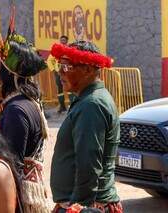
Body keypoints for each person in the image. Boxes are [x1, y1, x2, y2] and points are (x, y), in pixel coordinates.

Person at [50, 41, 123, 213]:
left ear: (88, 70)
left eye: (67, 67)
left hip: (87, 206)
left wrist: (77, 208)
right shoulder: (87, 100)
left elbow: (89, 167)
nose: (60, 71)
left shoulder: (92, 105)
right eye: (59, 65)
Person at [0, 11, 50, 212]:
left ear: (7, 73)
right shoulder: (28, 102)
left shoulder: (17, 110)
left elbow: (12, 166)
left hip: (19, 199)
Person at [54, 35, 68, 113]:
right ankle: (62, 106)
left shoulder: (69, 50)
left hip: (67, 72)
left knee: (70, 88)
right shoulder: (56, 50)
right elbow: (50, 60)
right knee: (59, 88)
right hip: (58, 72)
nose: (62, 41)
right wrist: (54, 69)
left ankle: (73, 106)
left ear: (66, 41)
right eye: (61, 40)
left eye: (64, 40)